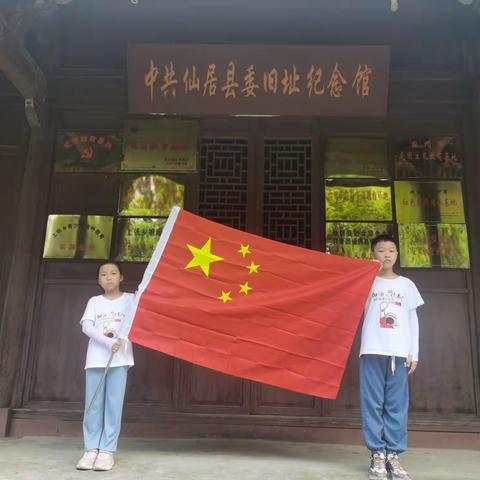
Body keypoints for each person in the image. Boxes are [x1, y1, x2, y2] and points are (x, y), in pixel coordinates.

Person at [360, 234, 424, 480]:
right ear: (373, 254)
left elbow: (412, 319)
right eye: (381, 250)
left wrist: (414, 352)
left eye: (391, 250)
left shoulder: (406, 285)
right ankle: (376, 452)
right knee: (372, 403)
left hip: (398, 352)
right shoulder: (366, 282)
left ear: (397, 254)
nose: (386, 255)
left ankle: (393, 455)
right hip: (372, 349)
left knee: (396, 405)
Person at [76, 261, 135, 471]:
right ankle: (90, 449)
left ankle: (107, 451)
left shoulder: (131, 300)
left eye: (113, 273)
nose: (108, 277)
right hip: (96, 359)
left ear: (121, 277)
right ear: (98, 279)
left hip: (120, 360)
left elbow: (139, 320)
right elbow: (87, 327)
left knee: (113, 405)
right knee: (93, 405)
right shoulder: (94, 301)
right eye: (103, 274)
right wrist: (109, 342)